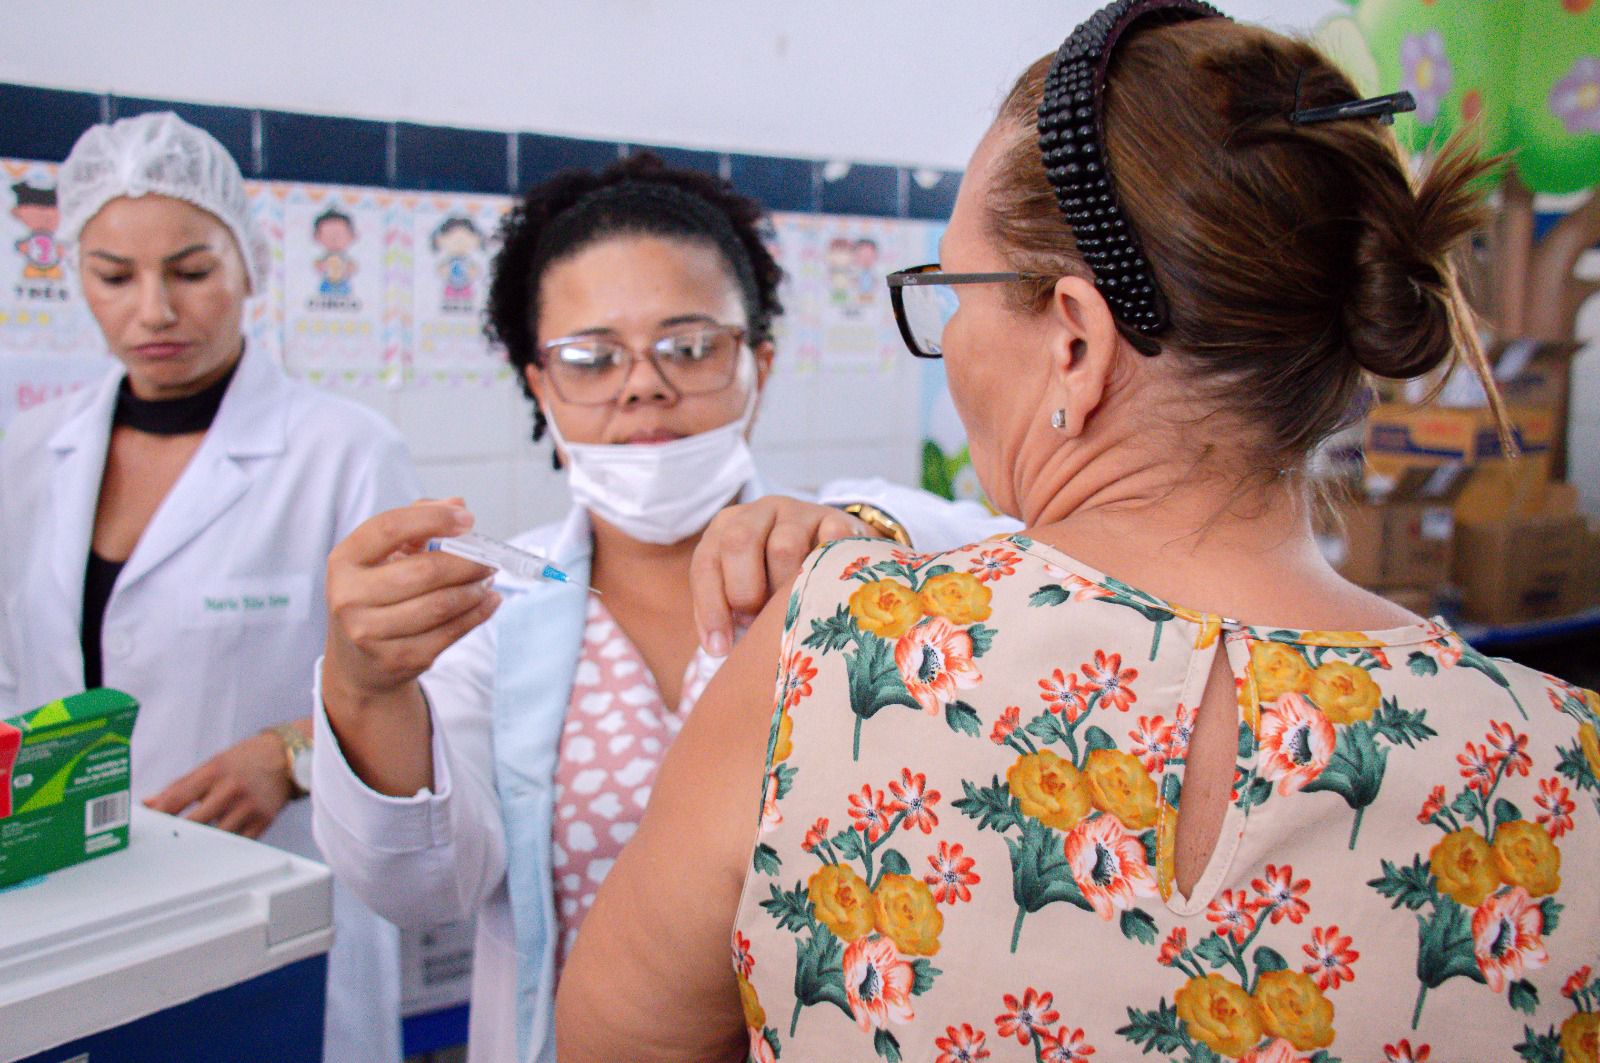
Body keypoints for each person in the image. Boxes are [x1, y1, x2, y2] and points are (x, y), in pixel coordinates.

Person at [556, 5, 1600, 1061]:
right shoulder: (1569, 771)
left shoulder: (826, 656)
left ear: (1074, 340)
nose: (952, 340)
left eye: (954, 293)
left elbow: (619, 1042)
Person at [310, 152, 1013, 1063]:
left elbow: (1040, 558)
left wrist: (862, 535)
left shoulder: (851, 542)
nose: (642, 384)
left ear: (757, 364)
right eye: (591, 358)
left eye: (688, 346)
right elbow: (427, 886)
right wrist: (367, 689)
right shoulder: (496, 616)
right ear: (540, 386)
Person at [0, 112, 416, 1063]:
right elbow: (14, 676)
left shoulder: (342, 452)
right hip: (72, 906)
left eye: (190, 271)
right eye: (114, 276)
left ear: (249, 265)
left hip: (280, 893)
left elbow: (431, 689)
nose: (154, 310)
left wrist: (291, 753)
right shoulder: (34, 453)